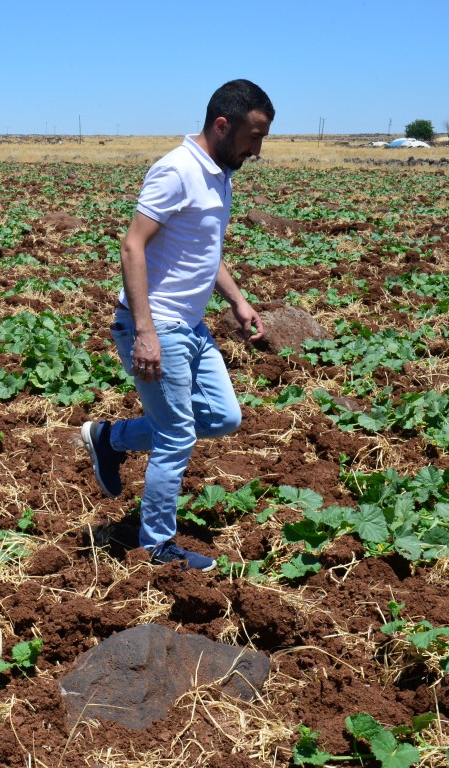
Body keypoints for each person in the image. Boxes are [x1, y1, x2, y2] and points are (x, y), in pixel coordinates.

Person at [81, 79, 273, 571]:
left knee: (224, 418)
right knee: (177, 435)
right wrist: (145, 331)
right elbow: (133, 246)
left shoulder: (220, 174)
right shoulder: (177, 170)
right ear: (222, 124)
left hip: (192, 327)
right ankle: (158, 547)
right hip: (156, 325)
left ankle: (111, 439)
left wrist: (236, 300)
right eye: (253, 137)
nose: (257, 150)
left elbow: (205, 251)